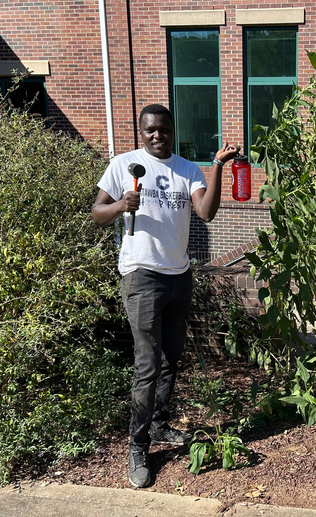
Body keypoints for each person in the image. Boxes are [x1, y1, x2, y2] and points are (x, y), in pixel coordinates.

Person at [92, 104, 240, 488]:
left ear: (173, 131)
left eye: (164, 129)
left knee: (171, 358)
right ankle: (137, 448)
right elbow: (96, 213)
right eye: (150, 130)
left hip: (179, 274)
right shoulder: (123, 164)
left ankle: (158, 426)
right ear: (141, 132)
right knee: (147, 364)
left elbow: (206, 213)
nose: (157, 135)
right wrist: (120, 205)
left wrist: (218, 166)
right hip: (142, 275)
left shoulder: (188, 169)